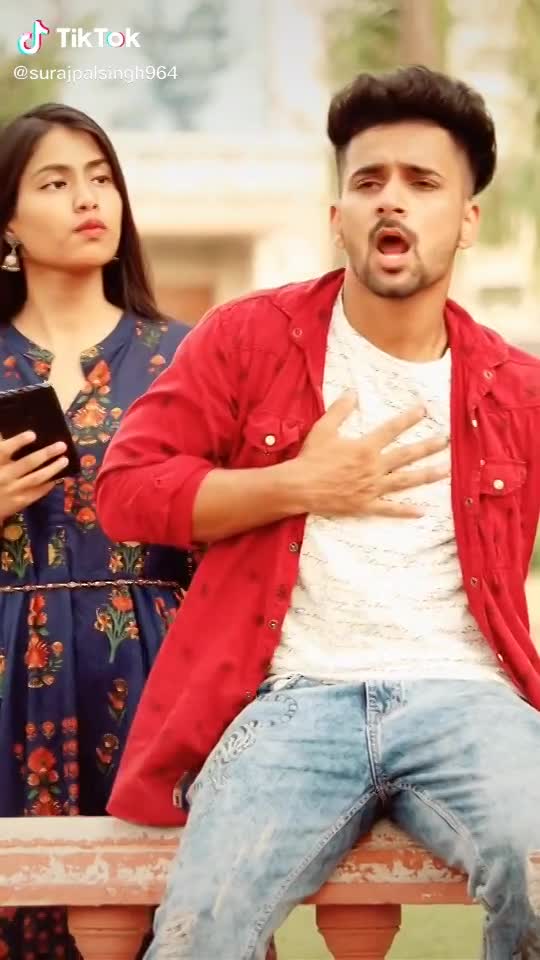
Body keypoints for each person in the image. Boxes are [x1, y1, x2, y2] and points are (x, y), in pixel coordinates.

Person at [95, 66, 540, 960]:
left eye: (422, 182)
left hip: (468, 697)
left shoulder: (518, 387)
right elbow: (127, 490)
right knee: (198, 933)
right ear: (338, 214)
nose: (392, 200)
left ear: (467, 219)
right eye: (369, 181)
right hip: (293, 701)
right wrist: (299, 484)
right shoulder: (248, 337)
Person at [0, 103, 191, 960]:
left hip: (158, 674)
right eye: (55, 182)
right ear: (7, 221)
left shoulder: (189, 356)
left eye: (102, 178)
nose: (88, 199)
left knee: (171, 914)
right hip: (9, 674)